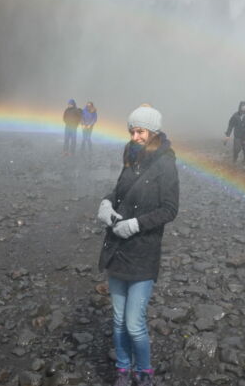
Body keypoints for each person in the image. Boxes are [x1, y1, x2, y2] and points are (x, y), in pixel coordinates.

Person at [97, 104, 179, 386]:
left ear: (153, 132)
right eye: (132, 131)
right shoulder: (130, 157)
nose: (135, 136)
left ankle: (143, 373)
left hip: (143, 253)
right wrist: (107, 203)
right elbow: (120, 191)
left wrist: (135, 224)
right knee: (118, 321)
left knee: (134, 323)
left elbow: (170, 209)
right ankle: (123, 369)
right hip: (117, 250)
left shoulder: (166, 163)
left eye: (140, 131)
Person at [224, 101, 245, 165]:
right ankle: (234, 159)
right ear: (240, 107)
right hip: (237, 136)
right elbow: (231, 125)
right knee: (236, 149)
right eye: (242, 107)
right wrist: (228, 135)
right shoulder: (235, 115)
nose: (244, 108)